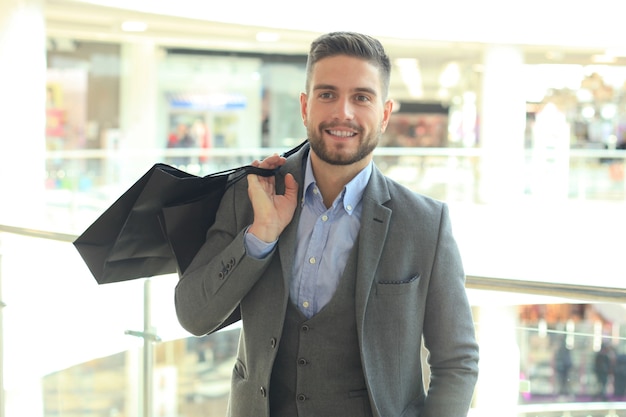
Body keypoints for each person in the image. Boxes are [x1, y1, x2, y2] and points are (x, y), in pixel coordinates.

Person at [175, 31, 479, 417]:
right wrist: (260, 236)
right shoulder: (252, 194)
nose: (343, 113)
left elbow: (457, 361)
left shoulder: (425, 224)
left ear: (384, 114)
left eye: (362, 97)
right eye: (327, 94)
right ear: (305, 106)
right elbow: (193, 315)